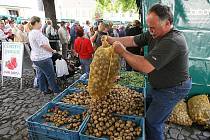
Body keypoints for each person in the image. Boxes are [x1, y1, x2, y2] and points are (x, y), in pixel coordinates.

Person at [107, 4, 192, 140]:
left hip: (173, 88)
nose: (150, 31)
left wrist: (122, 52)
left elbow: (145, 66)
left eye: (153, 28)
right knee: (146, 107)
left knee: (153, 122)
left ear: (168, 23)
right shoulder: (155, 32)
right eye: (149, 27)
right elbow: (133, 40)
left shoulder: (173, 41)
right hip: (159, 86)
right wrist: (112, 40)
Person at [28, 16, 60, 95]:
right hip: (42, 57)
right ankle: (56, 91)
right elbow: (43, 45)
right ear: (36, 23)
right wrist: (53, 51)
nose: (41, 24)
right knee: (50, 75)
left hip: (37, 57)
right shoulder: (36, 33)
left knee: (41, 73)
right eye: (40, 22)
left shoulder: (32, 32)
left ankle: (44, 89)